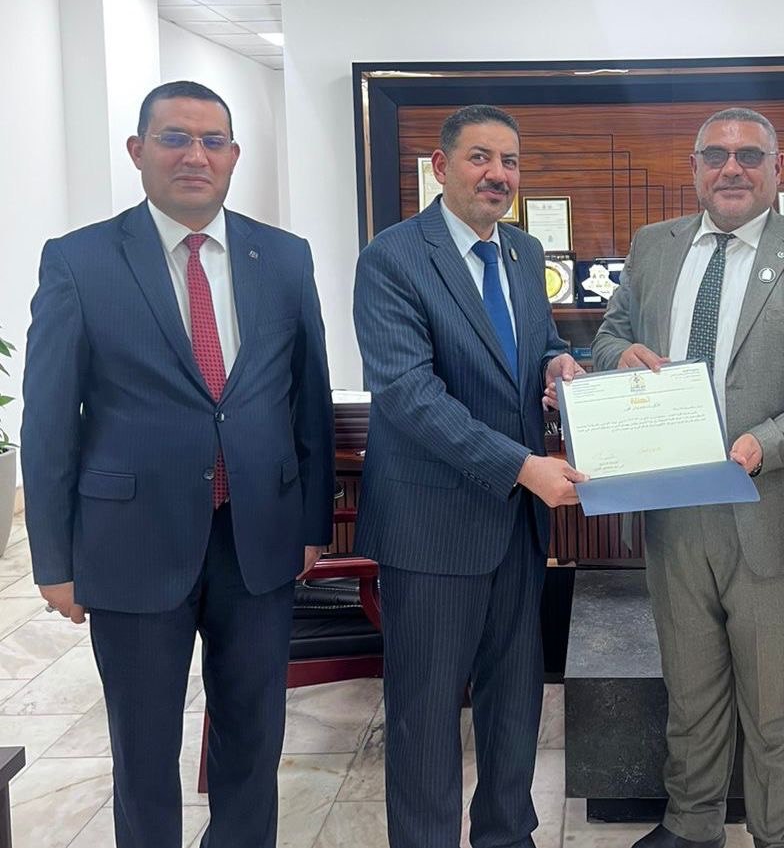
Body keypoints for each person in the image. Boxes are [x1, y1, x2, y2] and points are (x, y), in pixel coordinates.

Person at [21, 80, 335, 848]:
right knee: (144, 748)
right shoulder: (80, 261)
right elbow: (49, 421)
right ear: (138, 151)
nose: (196, 155)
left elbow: (309, 402)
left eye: (212, 140)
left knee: (253, 738)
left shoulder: (283, 257)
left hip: (256, 539)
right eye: (175, 138)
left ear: (233, 155)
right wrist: (54, 560)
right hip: (133, 541)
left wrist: (312, 524)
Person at [591, 107, 784, 848]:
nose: (731, 168)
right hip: (673, 509)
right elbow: (610, 334)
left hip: (772, 508)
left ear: (777, 168)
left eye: (750, 155)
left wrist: (765, 443)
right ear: (694, 168)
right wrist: (618, 355)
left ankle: (783, 835)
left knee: (774, 704)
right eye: (715, 154)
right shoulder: (653, 247)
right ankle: (692, 825)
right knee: (689, 691)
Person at [353, 104, 586, 848]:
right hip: (432, 527)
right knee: (425, 716)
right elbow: (409, 395)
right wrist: (522, 466)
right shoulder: (392, 258)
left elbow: (533, 344)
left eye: (509, 161)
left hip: (516, 527)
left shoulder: (522, 250)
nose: (497, 174)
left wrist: (556, 364)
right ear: (440, 166)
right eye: (480, 157)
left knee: (515, 701)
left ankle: (507, 836)